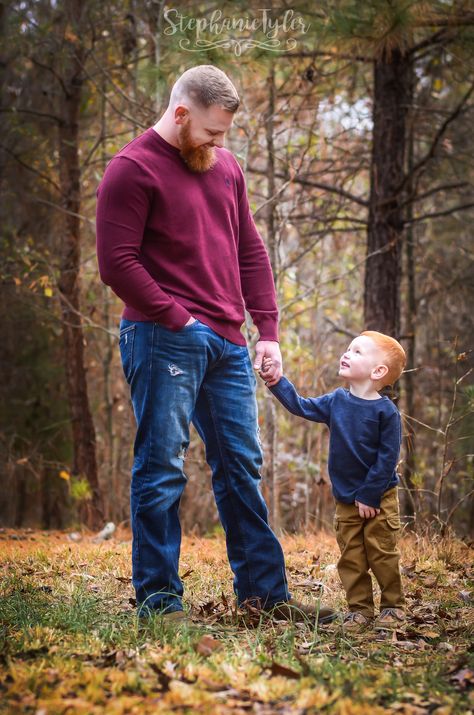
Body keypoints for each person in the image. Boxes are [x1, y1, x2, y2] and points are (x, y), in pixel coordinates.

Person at [96, 64, 336, 625]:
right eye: (210, 131)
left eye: (225, 133)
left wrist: (268, 331)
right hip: (162, 339)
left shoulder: (224, 167)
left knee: (241, 466)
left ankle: (266, 599)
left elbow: (248, 248)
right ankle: (159, 603)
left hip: (228, 343)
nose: (219, 142)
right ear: (180, 115)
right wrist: (179, 319)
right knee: (162, 468)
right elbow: (117, 264)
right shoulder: (131, 171)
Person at [260, 331, 406, 630]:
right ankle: (360, 611)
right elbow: (301, 406)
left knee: (381, 552)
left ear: (378, 371)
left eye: (357, 351)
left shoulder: (386, 412)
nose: (347, 353)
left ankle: (393, 606)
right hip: (346, 499)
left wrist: (370, 494)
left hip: (379, 498)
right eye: (348, 348)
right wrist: (277, 382)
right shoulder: (336, 401)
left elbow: (387, 458)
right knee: (351, 557)